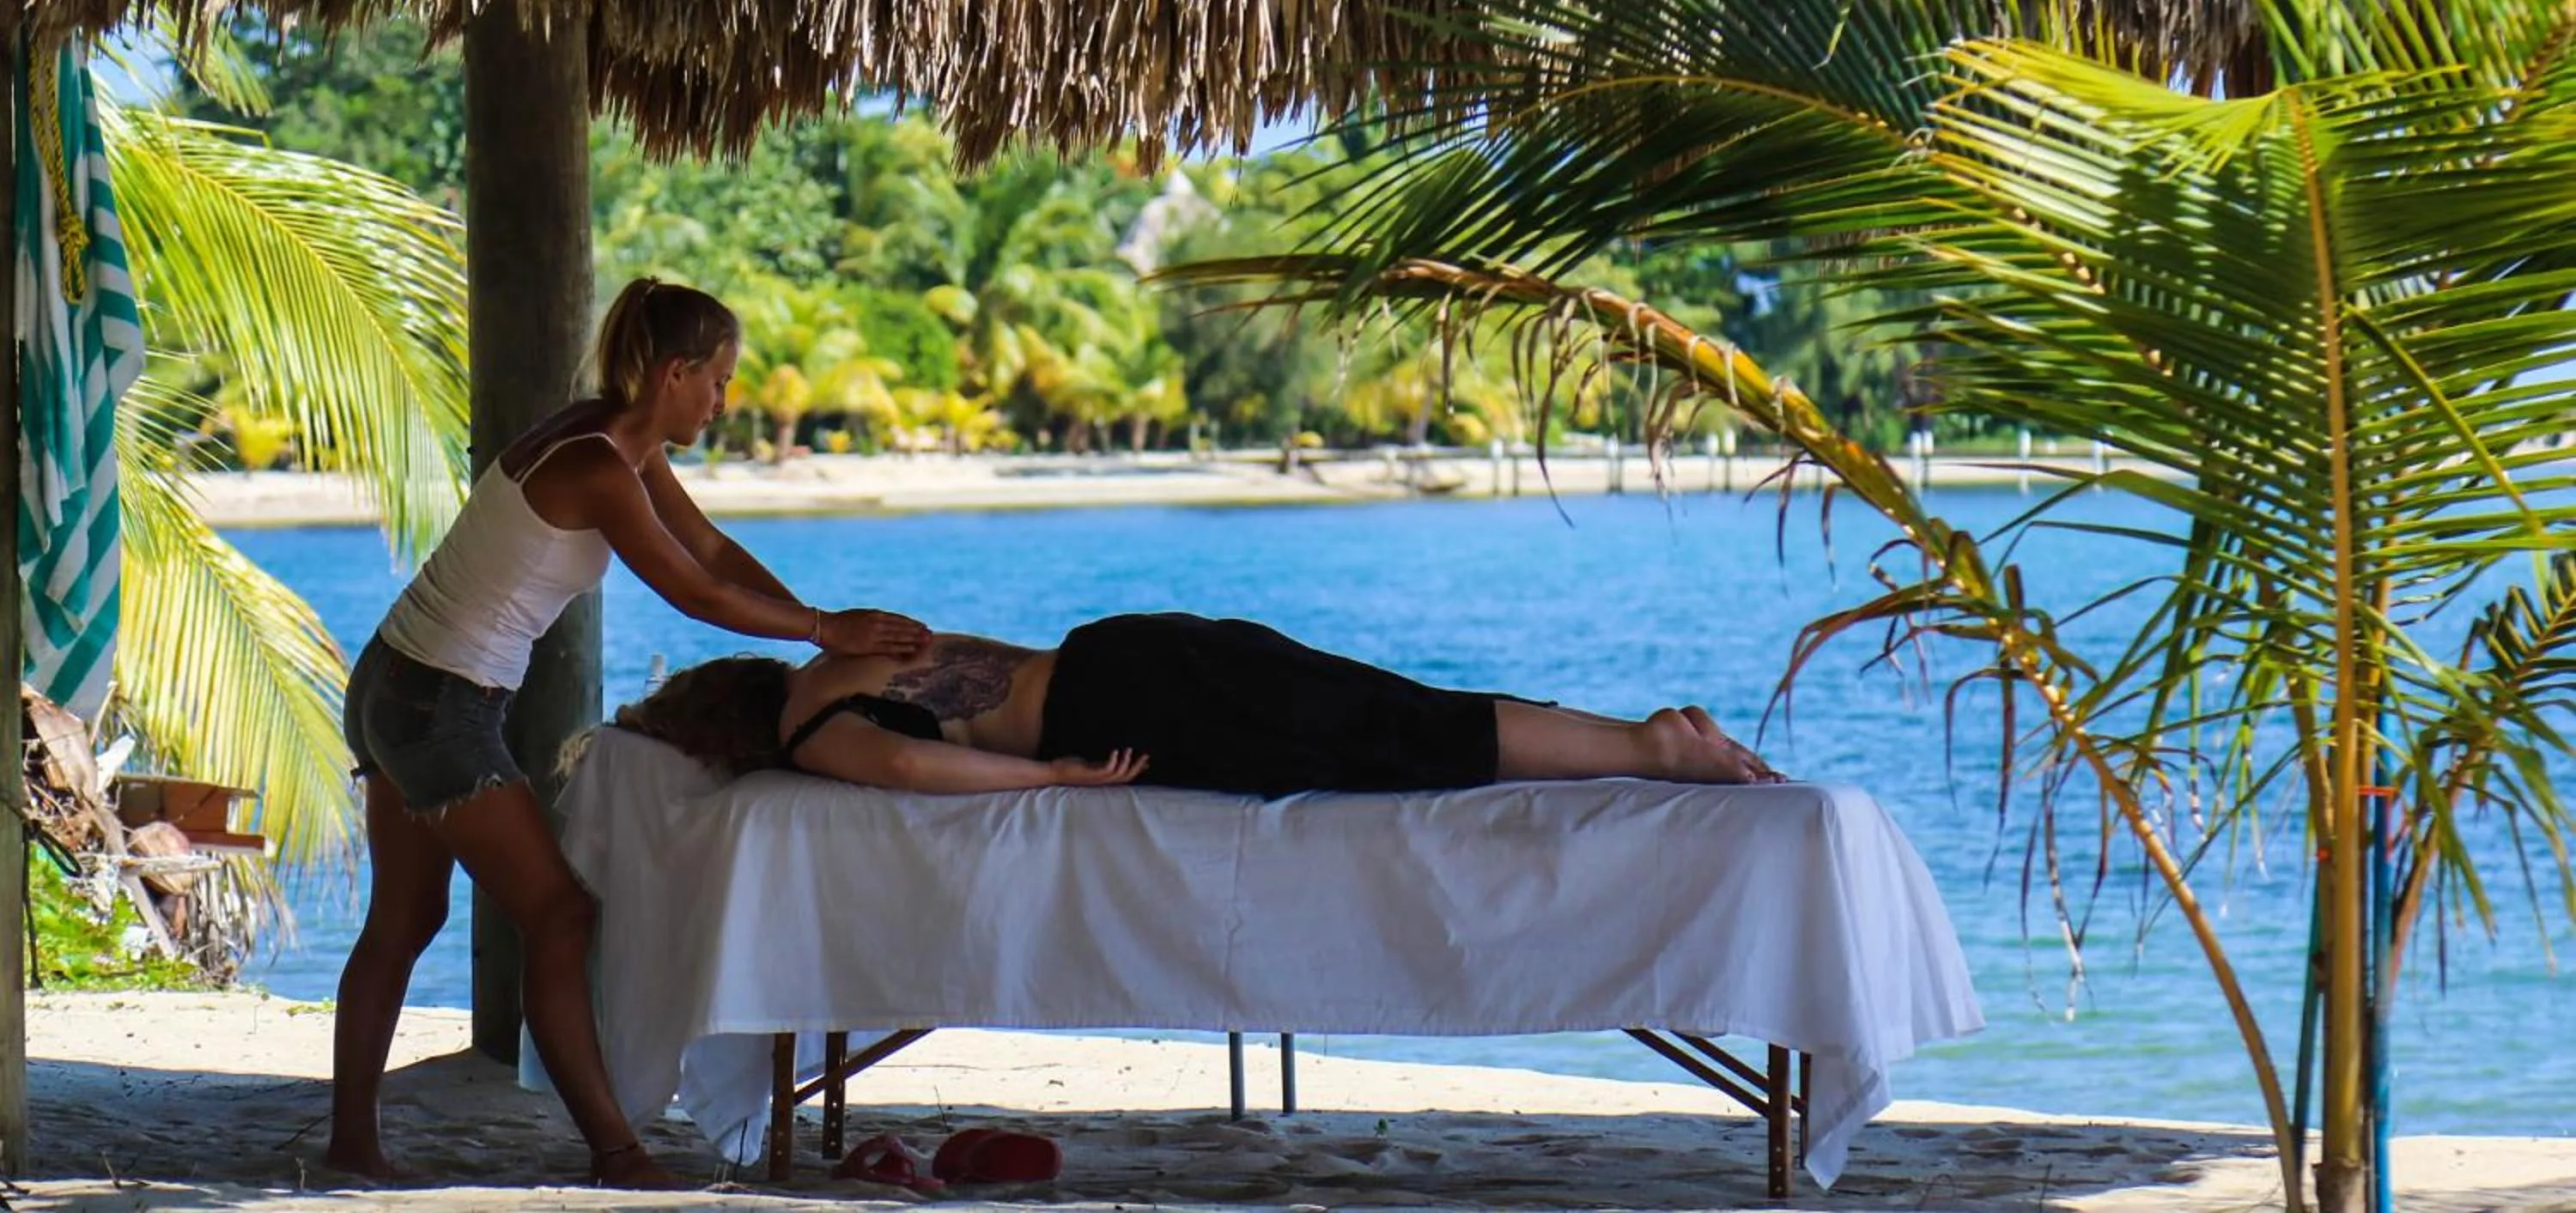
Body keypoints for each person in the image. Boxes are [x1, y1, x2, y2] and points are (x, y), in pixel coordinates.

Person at [329, 278, 933, 1186]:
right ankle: (615, 1151)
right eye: (719, 380)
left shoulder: (618, 437)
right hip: (436, 704)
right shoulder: (599, 464)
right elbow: (693, 592)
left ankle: (352, 1143)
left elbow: (715, 551)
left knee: (406, 917)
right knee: (560, 912)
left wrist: (822, 624)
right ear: (674, 371)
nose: (724, 400)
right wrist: (821, 630)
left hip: (398, 676)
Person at [611, 610, 1788, 798]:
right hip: (1127, 642)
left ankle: (1655, 752)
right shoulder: (836, 658)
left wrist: (1055, 779)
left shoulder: (813, 741)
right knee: (1389, 702)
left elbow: (921, 772)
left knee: (1392, 744)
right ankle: (1644, 736)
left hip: (1124, 711)